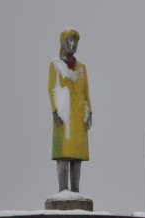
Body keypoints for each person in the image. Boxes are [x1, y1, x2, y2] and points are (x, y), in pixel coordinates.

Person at [48, 27, 92, 193]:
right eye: (69, 40)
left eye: (76, 42)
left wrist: (89, 113)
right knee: (63, 155)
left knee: (77, 156)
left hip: (79, 116)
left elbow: (86, 92)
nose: (73, 45)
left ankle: (75, 189)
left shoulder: (82, 68)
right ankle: (63, 190)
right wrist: (55, 111)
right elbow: (51, 89)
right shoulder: (55, 66)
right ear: (62, 43)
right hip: (63, 116)